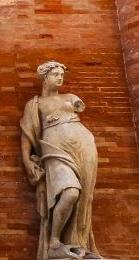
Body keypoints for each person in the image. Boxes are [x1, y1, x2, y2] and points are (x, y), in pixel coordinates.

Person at [20, 61, 100, 260]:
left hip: (83, 146)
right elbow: (27, 135)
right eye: (55, 74)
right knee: (71, 192)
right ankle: (54, 242)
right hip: (54, 149)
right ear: (45, 77)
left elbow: (79, 107)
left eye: (61, 75)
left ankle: (78, 242)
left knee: (84, 196)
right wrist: (27, 160)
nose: (60, 78)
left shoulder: (71, 97)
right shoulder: (35, 104)